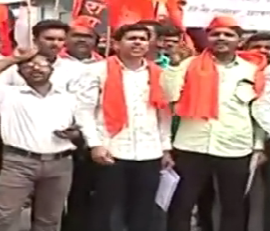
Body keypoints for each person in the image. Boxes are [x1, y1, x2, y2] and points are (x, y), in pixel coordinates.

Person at [165, 16, 266, 231]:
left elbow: (258, 110)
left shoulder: (252, 70)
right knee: (182, 205)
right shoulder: (188, 64)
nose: (221, 38)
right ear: (208, 38)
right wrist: (173, 66)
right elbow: (169, 97)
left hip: (235, 148)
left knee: (233, 207)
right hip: (191, 146)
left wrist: (258, 146)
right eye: (216, 33)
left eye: (228, 34)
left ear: (239, 41)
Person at [75, 23, 173, 231]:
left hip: (149, 151)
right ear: (116, 44)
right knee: (106, 209)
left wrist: (165, 148)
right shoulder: (97, 70)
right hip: (111, 149)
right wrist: (95, 144)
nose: (138, 42)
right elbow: (84, 111)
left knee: (143, 209)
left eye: (143, 39)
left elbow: (163, 114)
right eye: (132, 38)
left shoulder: (159, 74)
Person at [0, 48, 77, 231]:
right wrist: (16, 58)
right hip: (18, 163)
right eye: (28, 66)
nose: (35, 68)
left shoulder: (68, 98)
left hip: (60, 163)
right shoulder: (8, 95)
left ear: (51, 69)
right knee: (3, 217)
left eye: (41, 64)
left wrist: (74, 134)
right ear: (19, 72)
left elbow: (82, 126)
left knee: (49, 220)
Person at [58, 18, 103, 231]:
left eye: (88, 36)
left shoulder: (105, 65)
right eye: (77, 35)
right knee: (54, 195)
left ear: (96, 41)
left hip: (93, 138)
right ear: (66, 39)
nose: (82, 40)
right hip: (58, 136)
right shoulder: (52, 63)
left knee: (85, 191)